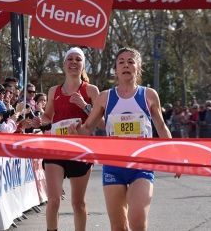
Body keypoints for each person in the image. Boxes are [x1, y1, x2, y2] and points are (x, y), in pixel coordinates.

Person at [67, 47, 179, 231]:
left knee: (137, 219)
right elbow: (87, 129)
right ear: (116, 70)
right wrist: (75, 129)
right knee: (118, 226)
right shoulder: (105, 97)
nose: (126, 65)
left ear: (138, 68)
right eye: (121, 62)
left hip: (141, 166)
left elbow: (161, 127)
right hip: (114, 166)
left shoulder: (149, 95)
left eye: (131, 62)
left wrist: (174, 154)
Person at [32, 47, 101, 231]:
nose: (73, 62)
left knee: (78, 204)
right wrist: (40, 121)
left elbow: (102, 123)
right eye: (69, 59)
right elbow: (48, 116)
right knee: (53, 201)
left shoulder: (91, 91)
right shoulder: (54, 91)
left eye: (78, 59)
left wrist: (85, 106)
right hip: (56, 149)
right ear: (63, 65)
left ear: (83, 65)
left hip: (81, 150)